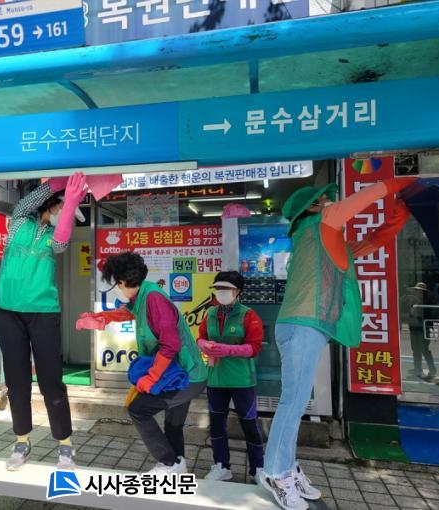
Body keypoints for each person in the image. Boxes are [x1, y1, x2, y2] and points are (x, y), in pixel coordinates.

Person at [256, 177, 416, 510]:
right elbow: (369, 194)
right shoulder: (321, 224)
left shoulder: (327, 240)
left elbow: (375, 240)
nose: (331, 201)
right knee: (293, 402)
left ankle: (287, 468)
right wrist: (410, 178)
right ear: (312, 208)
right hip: (302, 325)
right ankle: (274, 472)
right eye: (324, 199)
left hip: (307, 326)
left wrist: (401, 212)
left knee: (296, 402)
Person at [78, 252, 208, 475]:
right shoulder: (143, 294)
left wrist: (151, 377)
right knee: (173, 424)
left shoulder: (154, 299)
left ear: (121, 282)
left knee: (138, 409)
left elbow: (170, 345)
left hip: (188, 376)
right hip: (178, 374)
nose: (115, 288)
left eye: (114, 283)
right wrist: (102, 318)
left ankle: (169, 463)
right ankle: (177, 467)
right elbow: (127, 312)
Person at [0, 173, 88, 471]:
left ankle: (65, 444)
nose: (66, 216)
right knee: (16, 381)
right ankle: (22, 441)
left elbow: (60, 242)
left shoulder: (56, 236)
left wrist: (71, 203)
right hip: (7, 311)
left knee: (51, 381)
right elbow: (26, 203)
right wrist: (58, 183)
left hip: (43, 312)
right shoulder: (20, 222)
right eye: (64, 208)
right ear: (52, 204)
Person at [196, 271, 265, 482]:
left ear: (238, 291)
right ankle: (221, 466)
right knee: (217, 423)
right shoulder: (210, 313)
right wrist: (204, 345)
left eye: (226, 289)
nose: (221, 292)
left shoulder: (249, 315)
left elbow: (254, 347)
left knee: (249, 423)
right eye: (218, 288)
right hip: (216, 378)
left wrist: (228, 350)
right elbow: (200, 337)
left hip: (241, 379)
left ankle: (258, 469)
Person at [406, 282, 437, 380]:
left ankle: (432, 369)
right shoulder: (415, 301)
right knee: (415, 350)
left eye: (418, 290)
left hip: (423, 328)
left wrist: (417, 317)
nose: (416, 292)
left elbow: (428, 314)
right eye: (416, 290)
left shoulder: (427, 301)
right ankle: (417, 368)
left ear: (423, 292)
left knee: (424, 349)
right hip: (414, 328)